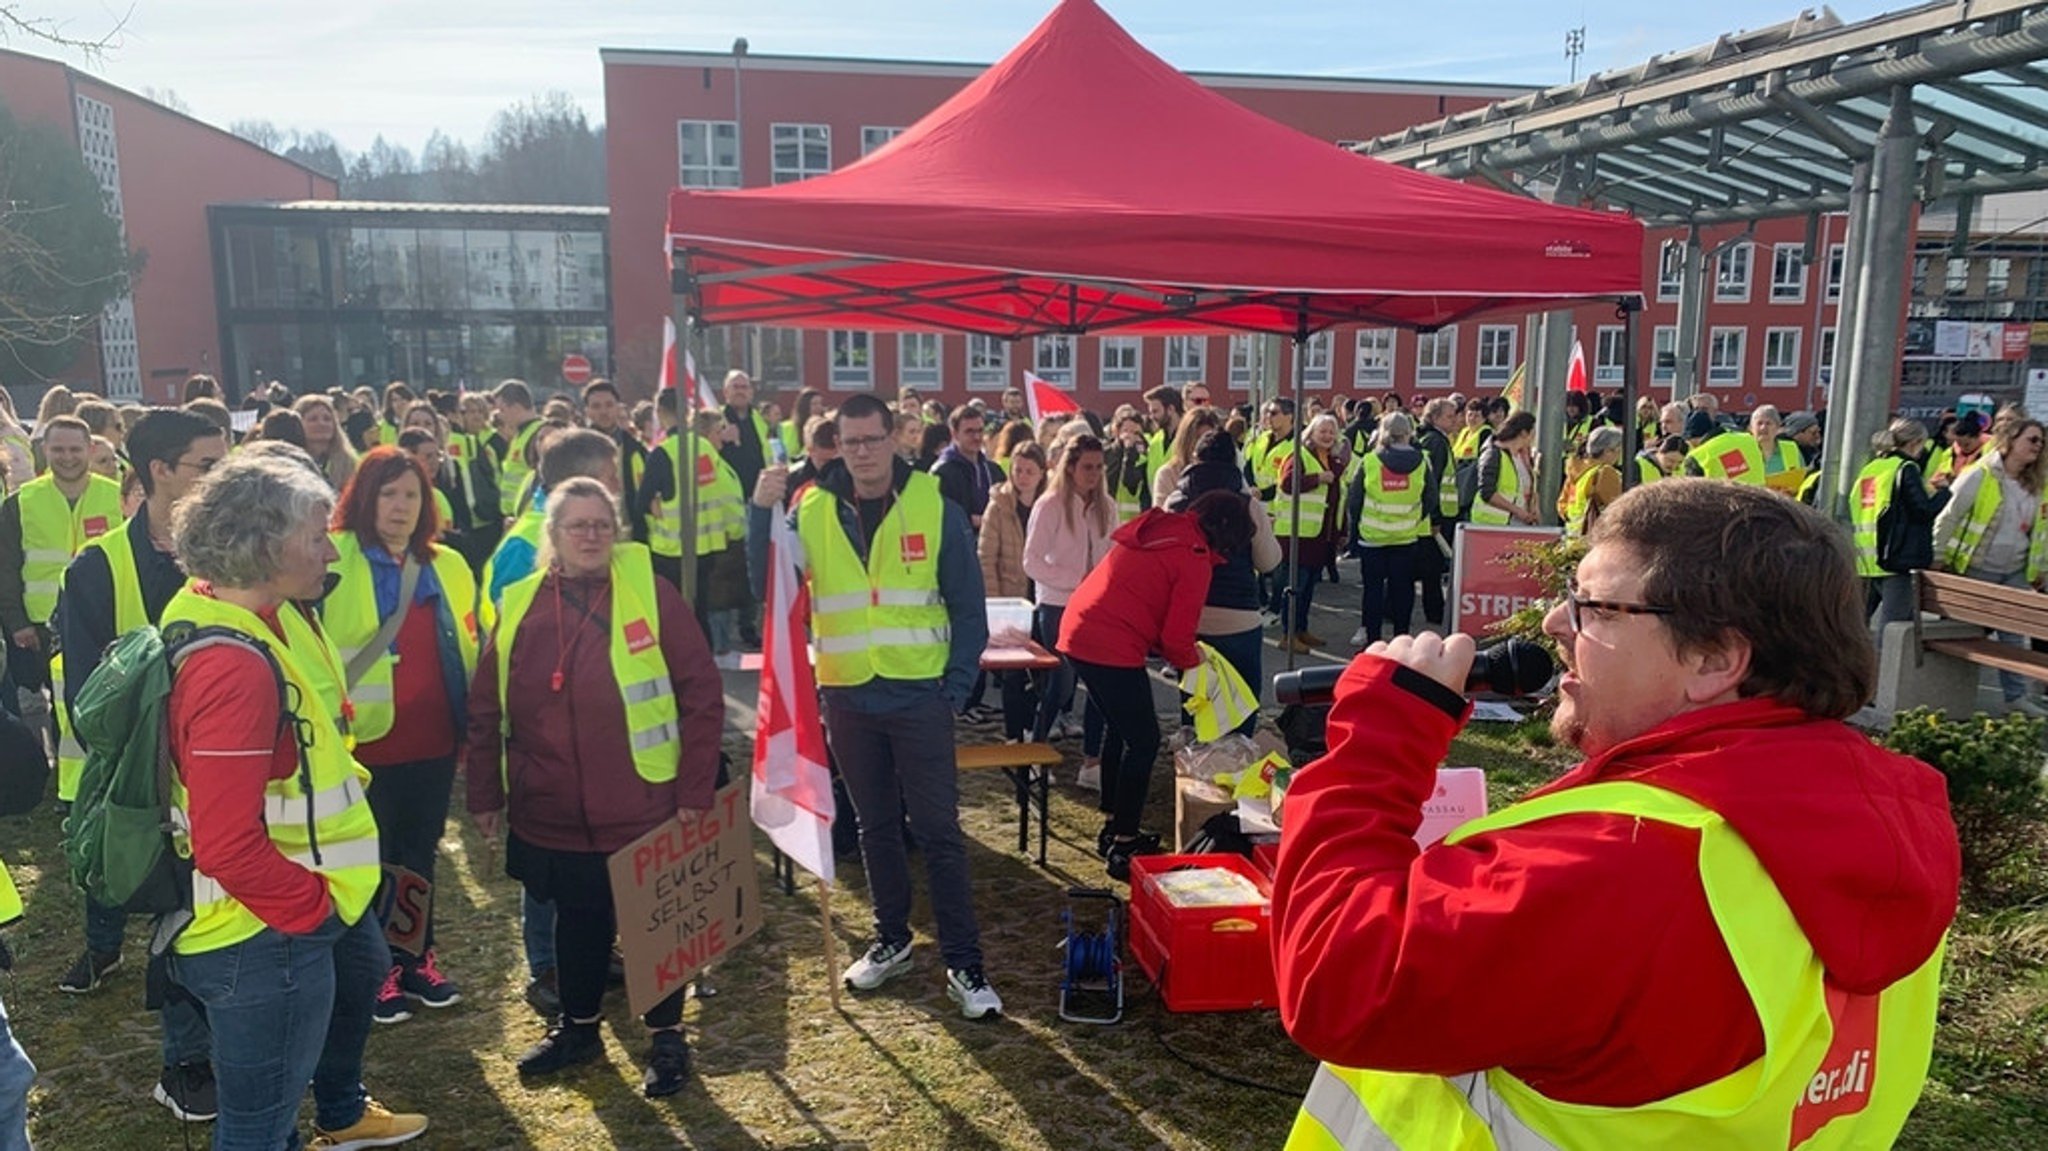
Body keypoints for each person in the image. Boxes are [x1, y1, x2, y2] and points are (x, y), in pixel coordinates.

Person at [1273, 480, 1958, 1149]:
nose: (1553, 623)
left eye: (1595, 608)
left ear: (1715, 658)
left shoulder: (1635, 856)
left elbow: (1338, 978)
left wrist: (1380, 743)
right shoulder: (1882, 823)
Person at [163, 453, 428, 1149]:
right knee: (257, 1127)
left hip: (291, 910)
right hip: (265, 932)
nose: (330, 547)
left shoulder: (253, 610)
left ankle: (341, 1112)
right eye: (316, 535)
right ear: (263, 545)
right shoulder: (233, 666)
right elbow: (225, 842)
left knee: (279, 1104)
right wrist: (309, 913)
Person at [465, 478, 720, 1095]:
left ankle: (667, 1039)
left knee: (656, 926)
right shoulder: (522, 600)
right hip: (549, 807)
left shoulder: (651, 593)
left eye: (601, 524)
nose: (590, 535)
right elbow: (484, 708)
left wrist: (694, 791)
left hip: (643, 802)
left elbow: (702, 695)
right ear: (550, 536)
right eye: (576, 525)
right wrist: (485, 794)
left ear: (617, 531)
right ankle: (578, 1029)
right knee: (576, 922)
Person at [753, 393, 1001, 1019]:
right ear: (837, 443)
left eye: (872, 439)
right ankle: (892, 938)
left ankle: (965, 963)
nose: (862, 452)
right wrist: (760, 515)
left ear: (895, 439)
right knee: (874, 828)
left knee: (940, 832)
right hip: (847, 695)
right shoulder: (808, 508)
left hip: (919, 695)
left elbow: (969, 608)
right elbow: (771, 584)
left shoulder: (933, 506)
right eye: (850, 441)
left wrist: (955, 685)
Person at [323, 447, 479, 1025]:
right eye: (388, 493)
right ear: (365, 497)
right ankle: (375, 970)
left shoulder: (450, 564)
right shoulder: (333, 557)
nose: (400, 506)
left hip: (433, 738)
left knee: (418, 855)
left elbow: (470, 645)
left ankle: (417, 959)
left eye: (411, 494)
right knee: (371, 858)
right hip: (361, 744)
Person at [1062, 491, 1248, 879]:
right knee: (1144, 741)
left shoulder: (1165, 529)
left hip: (1081, 628)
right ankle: (1124, 843)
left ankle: (1114, 825)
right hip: (1110, 641)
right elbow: (1178, 636)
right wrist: (1199, 667)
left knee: (1121, 729)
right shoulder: (1194, 556)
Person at [1164, 431, 1281, 738]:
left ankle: (1194, 772)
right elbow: (1268, 562)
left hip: (1190, 618)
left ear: (1194, 460)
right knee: (1241, 707)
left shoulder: (1175, 502)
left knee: (1195, 702)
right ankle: (1234, 769)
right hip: (1238, 616)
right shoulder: (1247, 505)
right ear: (1235, 462)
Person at [1931, 412, 2048, 716]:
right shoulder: (1981, 474)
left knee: (2013, 637)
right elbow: (1949, 515)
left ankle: (2015, 698)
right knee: (1963, 632)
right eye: (2032, 440)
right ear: (2010, 441)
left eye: (2042, 442)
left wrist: (2041, 569)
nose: (2038, 446)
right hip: (1978, 566)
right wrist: (1938, 555)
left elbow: (2042, 532)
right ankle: (1946, 693)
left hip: (2016, 569)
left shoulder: (2039, 484)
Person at [0, 417, 121, 703]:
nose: (67, 458)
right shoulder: (21, 502)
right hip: (44, 626)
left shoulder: (116, 497)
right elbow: (6, 569)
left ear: (89, 449)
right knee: (62, 704)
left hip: (107, 617)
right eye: (58, 450)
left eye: (75, 450)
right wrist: (17, 622)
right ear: (45, 449)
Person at [1023, 433, 1113, 785]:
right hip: (1058, 605)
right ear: (1071, 468)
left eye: (1099, 467)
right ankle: (1034, 751)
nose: (1094, 474)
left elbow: (1113, 555)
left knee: (1100, 686)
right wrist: (1078, 579)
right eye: (1087, 467)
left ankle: (1091, 763)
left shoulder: (1106, 505)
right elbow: (1031, 561)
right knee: (1059, 687)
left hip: (1098, 607)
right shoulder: (1050, 505)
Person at [1852, 419, 1950, 645]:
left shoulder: (1871, 468)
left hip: (1867, 559)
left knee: (1857, 625)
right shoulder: (1906, 469)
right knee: (1891, 631)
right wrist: (1945, 493)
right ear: (1915, 443)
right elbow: (1923, 510)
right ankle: (1879, 677)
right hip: (1897, 557)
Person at [1347, 412, 1427, 649]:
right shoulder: (1422, 462)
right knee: (1403, 590)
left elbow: (1354, 500)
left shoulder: (1370, 460)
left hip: (1372, 538)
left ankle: (1373, 640)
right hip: (1405, 538)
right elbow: (1431, 498)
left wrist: (1358, 527)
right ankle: (1402, 639)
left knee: (1372, 591)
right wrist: (1411, 517)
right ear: (1409, 433)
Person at [931, 405, 1005, 534]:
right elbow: (941, 514)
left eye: (980, 431)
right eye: (969, 431)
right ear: (954, 433)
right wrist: (977, 520)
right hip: (958, 546)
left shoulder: (993, 470)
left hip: (991, 545)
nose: (976, 437)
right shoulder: (942, 472)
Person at [1471, 411, 1539, 526]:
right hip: (1491, 524)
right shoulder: (1493, 453)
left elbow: (1525, 489)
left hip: (1516, 524)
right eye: (1533, 432)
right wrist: (1518, 511)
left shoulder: (1523, 456)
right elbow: (1487, 493)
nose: (1534, 437)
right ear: (1523, 433)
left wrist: (1533, 507)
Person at [1563, 426, 1626, 538]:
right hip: (1595, 538)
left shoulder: (1576, 471)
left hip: (1572, 537)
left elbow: (1562, 506)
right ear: (1608, 451)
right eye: (1619, 450)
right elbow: (1618, 509)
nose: (1620, 456)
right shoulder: (1605, 472)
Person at [492, 380, 543, 514]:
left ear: (516, 407)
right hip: (516, 516)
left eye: (502, 409)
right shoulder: (522, 434)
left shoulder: (537, 435)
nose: (499, 415)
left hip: (526, 516)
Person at [1683, 409, 1766, 485]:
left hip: (1723, 500)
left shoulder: (1697, 456)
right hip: (1761, 498)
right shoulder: (1749, 439)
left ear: (1692, 438)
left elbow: (1693, 492)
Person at [294, 395, 358, 493]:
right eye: (313, 419)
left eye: (327, 419)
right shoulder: (290, 461)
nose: (321, 423)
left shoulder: (349, 463)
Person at [1103, 410, 1153, 524]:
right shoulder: (1106, 454)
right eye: (1126, 431)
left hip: (1133, 522)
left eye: (1136, 433)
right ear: (1117, 432)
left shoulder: (1143, 457)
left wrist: (1130, 453)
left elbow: (1130, 483)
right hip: (1107, 520)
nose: (1130, 436)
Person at [1750, 405, 1810, 498]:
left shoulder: (1791, 449)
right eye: (1759, 423)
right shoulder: (1743, 450)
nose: (1763, 428)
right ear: (1751, 428)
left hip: (1784, 506)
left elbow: (1803, 481)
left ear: (1778, 428)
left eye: (1768, 423)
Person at [1927, 412, 1986, 485]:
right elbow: (1936, 478)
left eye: (1967, 444)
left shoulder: (1991, 453)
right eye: (1959, 444)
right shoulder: (1950, 453)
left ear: (1978, 436)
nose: (1963, 448)